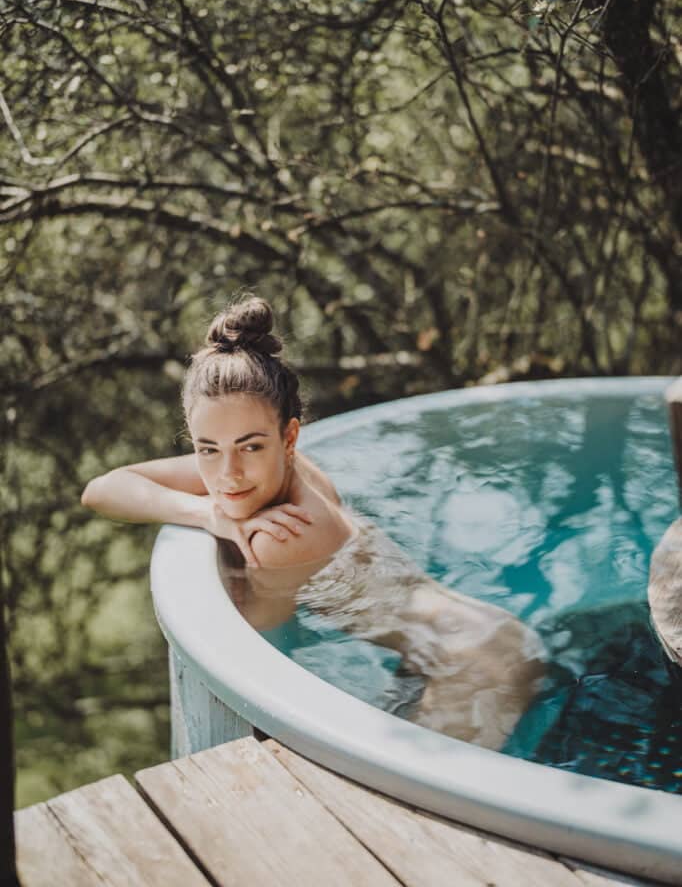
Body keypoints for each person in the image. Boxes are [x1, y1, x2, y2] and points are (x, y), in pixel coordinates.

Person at [82, 294, 545, 749]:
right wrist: (207, 512)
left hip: (476, 663)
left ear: (289, 435)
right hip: (478, 637)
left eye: (250, 446)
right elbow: (102, 489)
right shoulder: (288, 469)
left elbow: (260, 672)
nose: (228, 475)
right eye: (208, 449)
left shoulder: (278, 541)